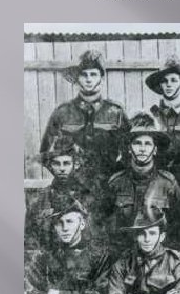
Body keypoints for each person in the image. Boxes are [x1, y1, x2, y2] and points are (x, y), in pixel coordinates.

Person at [40, 50, 129, 194]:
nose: (88, 79)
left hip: (107, 189)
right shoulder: (62, 112)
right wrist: (63, 176)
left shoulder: (116, 112)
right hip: (72, 190)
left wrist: (115, 177)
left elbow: (129, 152)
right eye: (84, 74)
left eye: (93, 74)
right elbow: (45, 153)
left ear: (101, 78)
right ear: (78, 78)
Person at [103, 112, 180, 252]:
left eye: (148, 144)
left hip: (156, 254)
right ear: (129, 149)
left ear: (155, 150)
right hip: (123, 254)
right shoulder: (116, 183)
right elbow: (102, 221)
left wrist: (165, 252)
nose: (142, 149)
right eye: (137, 143)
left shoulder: (168, 183)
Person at [25, 136, 93, 251]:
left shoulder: (88, 196)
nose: (61, 168)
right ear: (50, 166)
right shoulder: (40, 199)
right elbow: (29, 238)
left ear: (75, 165)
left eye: (66, 163)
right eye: (57, 163)